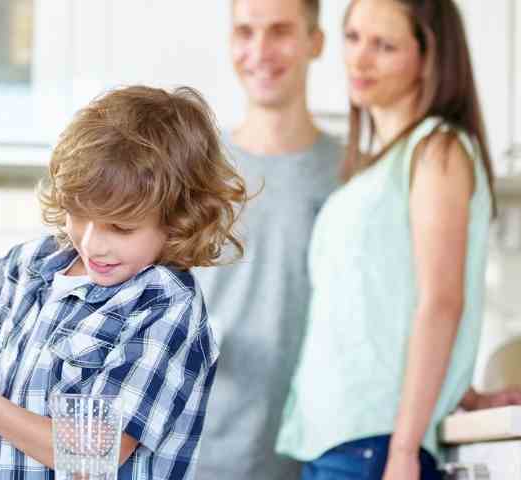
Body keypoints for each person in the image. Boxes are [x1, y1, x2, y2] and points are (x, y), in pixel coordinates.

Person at [0, 85, 248, 479]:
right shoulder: (37, 262)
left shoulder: (166, 307)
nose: (92, 245)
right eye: (78, 214)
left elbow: (94, 452)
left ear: (177, 220)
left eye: (120, 228)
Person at [277, 1, 521, 479]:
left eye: (384, 45)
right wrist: (468, 395)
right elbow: (379, 312)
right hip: (336, 436)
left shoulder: (438, 150)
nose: (359, 59)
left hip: (377, 442)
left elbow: (440, 302)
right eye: (353, 38)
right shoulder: (375, 169)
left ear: (428, 58)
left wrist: (406, 449)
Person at [191, 0, 343, 478]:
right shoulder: (196, 167)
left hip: (315, 450)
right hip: (199, 446)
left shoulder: (353, 172)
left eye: (280, 31)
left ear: (315, 42)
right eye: (245, 32)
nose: (260, 50)